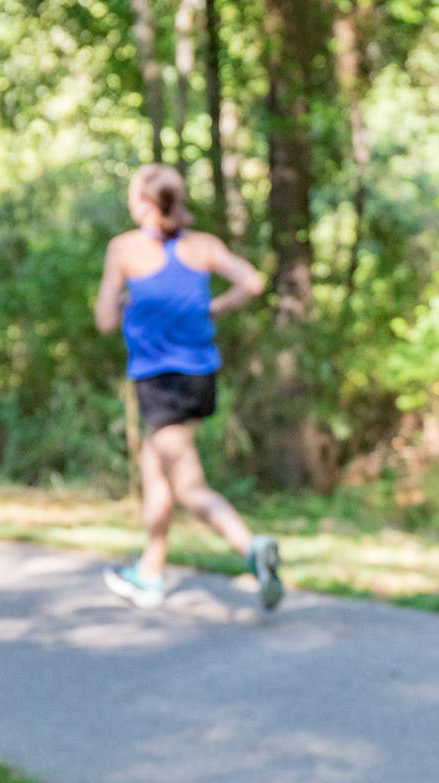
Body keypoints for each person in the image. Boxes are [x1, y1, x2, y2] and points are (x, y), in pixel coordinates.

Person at [94, 164, 282, 611]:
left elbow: (104, 321)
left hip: (160, 381)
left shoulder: (124, 250)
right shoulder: (202, 247)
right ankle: (151, 574)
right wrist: (212, 307)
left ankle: (251, 548)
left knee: (187, 484)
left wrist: (125, 302)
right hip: (200, 376)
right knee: (156, 474)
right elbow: (252, 282)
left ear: (142, 202)